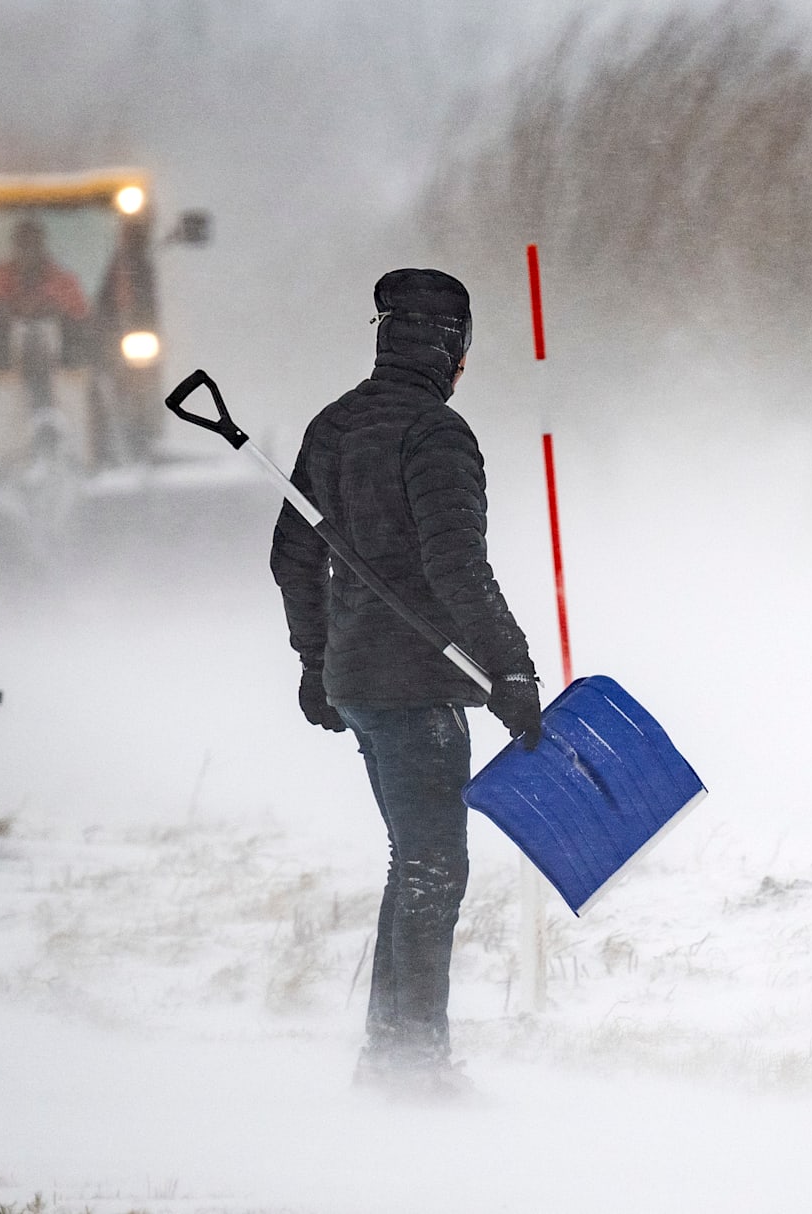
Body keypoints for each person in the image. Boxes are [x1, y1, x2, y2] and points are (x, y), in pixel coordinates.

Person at [269, 267, 543, 1096]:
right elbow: (456, 565)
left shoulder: (335, 426)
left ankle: (391, 1053)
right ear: (451, 348)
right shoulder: (435, 435)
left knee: (413, 861)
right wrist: (512, 666)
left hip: (361, 680)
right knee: (432, 868)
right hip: (416, 685)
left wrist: (317, 661)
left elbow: (291, 557)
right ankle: (412, 1065)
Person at [0, 217, 88, 411]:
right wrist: (6, 312)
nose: (28, 250)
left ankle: (46, 412)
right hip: (0, 356)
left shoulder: (63, 281)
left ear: (42, 245)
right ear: (15, 245)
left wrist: (54, 311)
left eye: (33, 243)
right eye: (23, 243)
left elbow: (80, 316)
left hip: (61, 357)